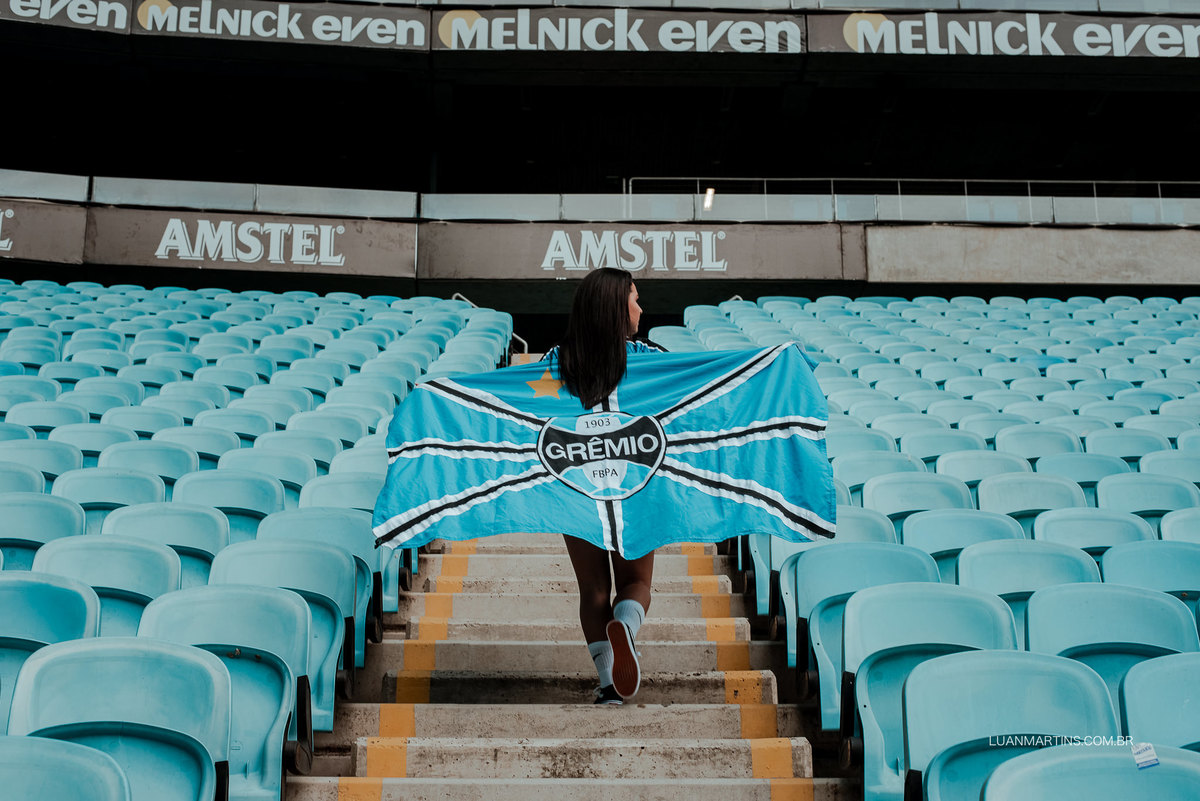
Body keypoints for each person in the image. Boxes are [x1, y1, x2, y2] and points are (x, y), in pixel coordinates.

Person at [543, 267, 663, 705]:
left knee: (593, 590)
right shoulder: (651, 357)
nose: (640, 308)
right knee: (637, 584)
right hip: (634, 484)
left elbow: (524, 417)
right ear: (616, 307)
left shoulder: (554, 362)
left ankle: (609, 683)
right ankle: (626, 630)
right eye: (634, 298)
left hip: (576, 487)